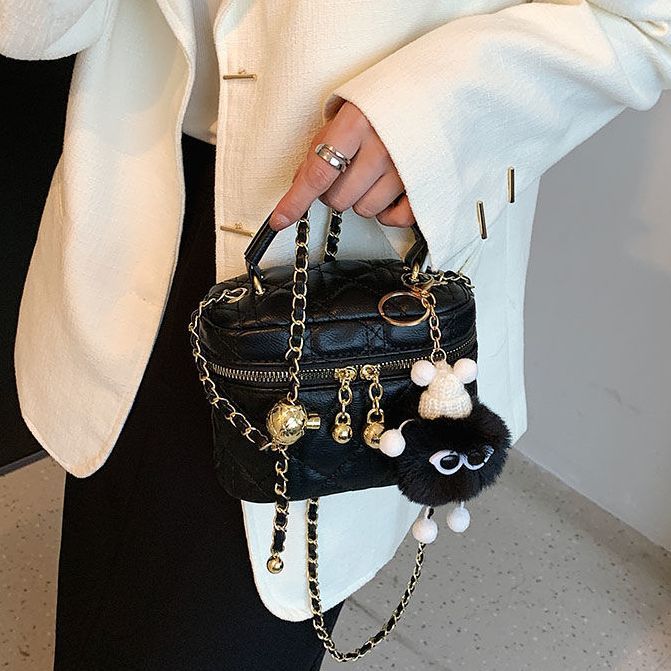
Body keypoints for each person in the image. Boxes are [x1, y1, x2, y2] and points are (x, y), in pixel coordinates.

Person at [2, 1, 670, 669]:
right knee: (103, 575)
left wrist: (433, 118)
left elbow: (648, 22)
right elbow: (35, 29)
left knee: (226, 620)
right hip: (139, 186)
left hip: (346, 269)